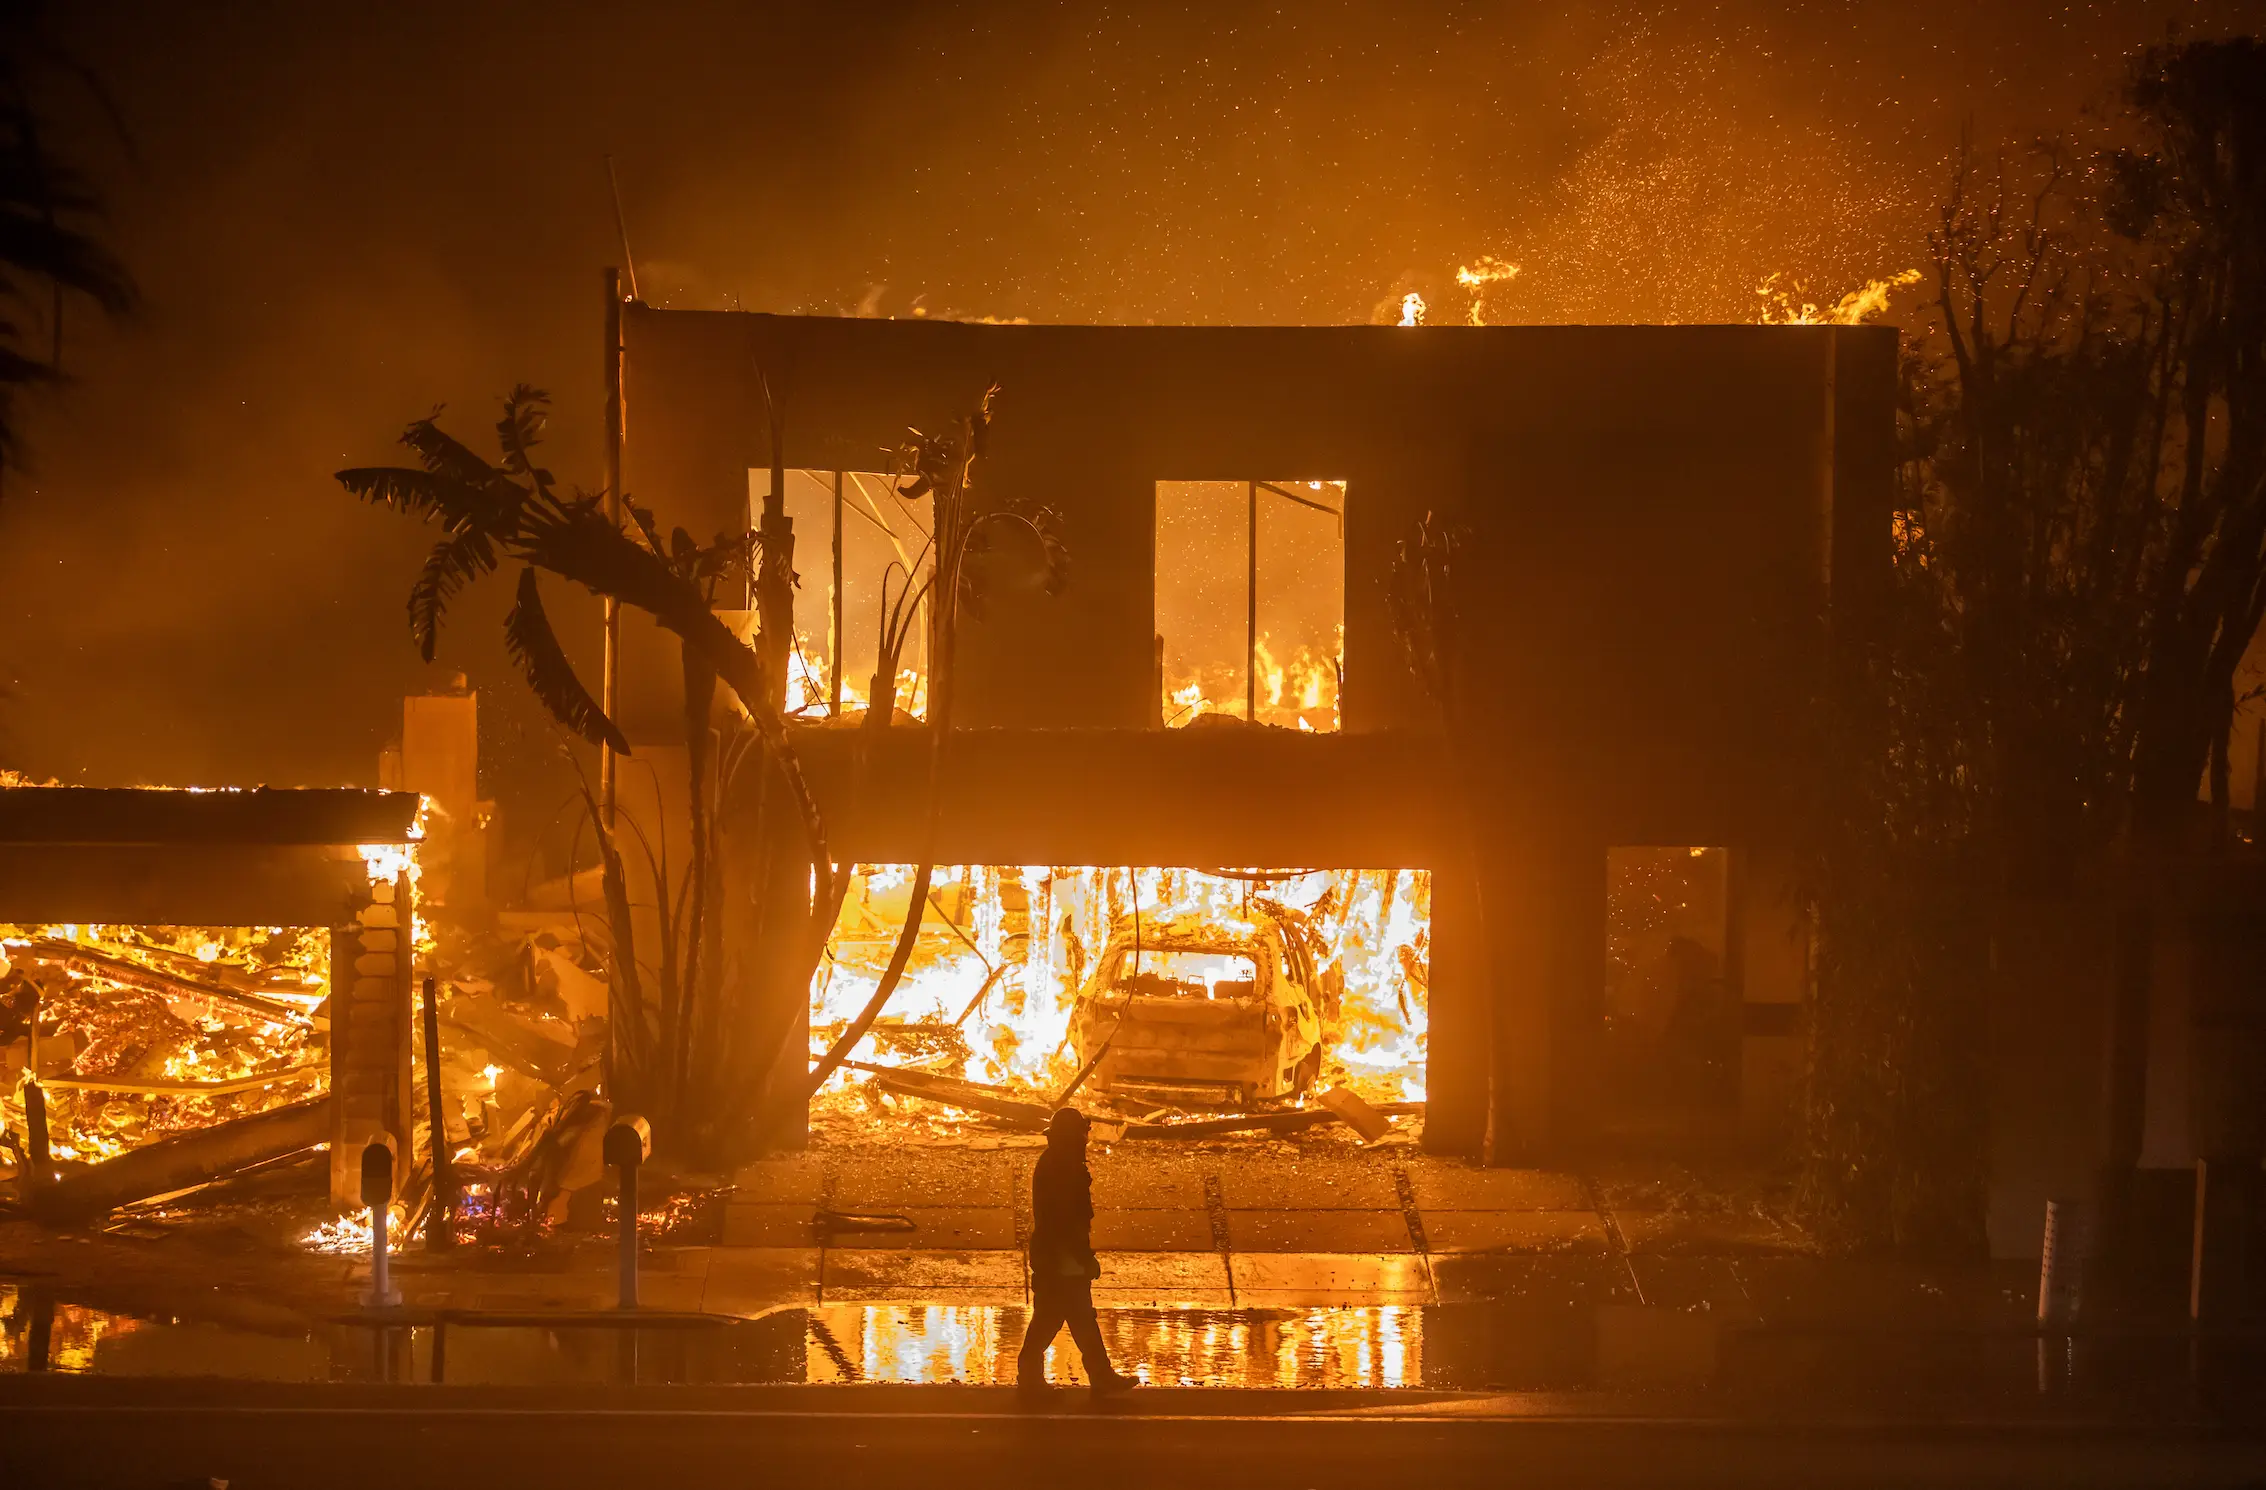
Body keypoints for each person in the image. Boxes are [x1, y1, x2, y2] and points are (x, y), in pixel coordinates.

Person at [1017, 1107, 1138, 1397]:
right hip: (1059, 1258)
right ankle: (1037, 1374)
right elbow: (1065, 1220)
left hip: (1057, 1256)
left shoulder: (1059, 1163)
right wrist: (1081, 1258)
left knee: (1075, 1317)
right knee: (1055, 1317)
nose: (1085, 1141)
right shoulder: (1062, 1168)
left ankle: (1097, 1375)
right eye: (1082, 1135)